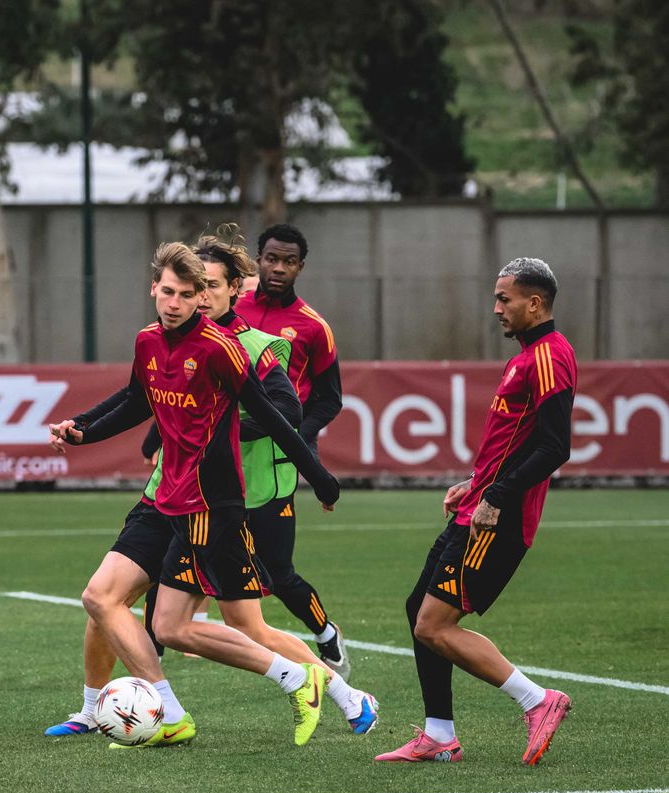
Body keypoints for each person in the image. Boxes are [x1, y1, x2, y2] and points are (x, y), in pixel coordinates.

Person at [54, 242, 342, 747]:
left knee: (188, 626)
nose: (174, 302)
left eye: (187, 295)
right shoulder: (147, 341)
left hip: (209, 505)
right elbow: (135, 402)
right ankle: (167, 710)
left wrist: (318, 477)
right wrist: (83, 430)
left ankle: (299, 678)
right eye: (167, 291)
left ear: (200, 298)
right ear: (154, 289)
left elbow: (275, 415)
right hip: (163, 496)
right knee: (100, 598)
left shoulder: (219, 348)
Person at [376, 257, 576, 765]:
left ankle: (538, 701)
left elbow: (554, 447)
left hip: (498, 519)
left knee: (433, 625)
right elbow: (516, 440)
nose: (496, 309)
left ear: (535, 303)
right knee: (416, 607)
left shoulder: (550, 356)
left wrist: (496, 496)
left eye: (504, 299)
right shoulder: (527, 356)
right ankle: (440, 735)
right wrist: (474, 485)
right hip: (478, 509)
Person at [234, 222, 350, 677]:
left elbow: (330, 398)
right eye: (271, 259)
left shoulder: (313, 327)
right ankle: (163, 650)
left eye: (289, 261)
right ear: (257, 260)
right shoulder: (231, 309)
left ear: (301, 266)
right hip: (226, 456)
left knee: (278, 573)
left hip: (278, 462)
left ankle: (325, 634)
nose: (278, 268)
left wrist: (301, 438)